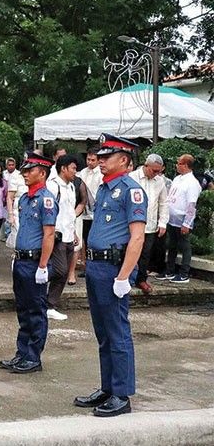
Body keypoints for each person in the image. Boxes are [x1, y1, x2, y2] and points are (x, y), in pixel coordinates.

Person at [74, 133, 146, 417]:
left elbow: (137, 238)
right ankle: (108, 386)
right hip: (96, 267)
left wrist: (124, 277)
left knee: (118, 332)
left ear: (124, 160)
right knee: (103, 332)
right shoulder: (104, 188)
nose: (101, 161)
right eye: (100, 156)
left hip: (115, 268)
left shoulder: (131, 190)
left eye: (107, 157)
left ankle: (121, 393)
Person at [0, 151, 56, 375]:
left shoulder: (46, 199)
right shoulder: (24, 198)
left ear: (41, 173)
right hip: (22, 259)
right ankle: (22, 353)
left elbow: (49, 235)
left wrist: (43, 266)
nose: (25, 173)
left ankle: (33, 356)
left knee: (35, 310)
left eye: (29, 170)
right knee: (23, 310)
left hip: (35, 262)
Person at [46, 154, 80, 320]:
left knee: (64, 273)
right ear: (63, 168)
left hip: (68, 234)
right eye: (73, 168)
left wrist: (73, 232)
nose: (75, 171)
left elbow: (70, 213)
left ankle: (50, 304)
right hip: (56, 235)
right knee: (60, 270)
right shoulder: (53, 186)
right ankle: (34, 283)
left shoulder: (71, 187)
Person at [159, 154, 202, 284]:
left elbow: (191, 205)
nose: (176, 165)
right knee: (171, 245)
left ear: (185, 165)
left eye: (179, 163)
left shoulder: (192, 183)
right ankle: (170, 270)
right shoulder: (177, 179)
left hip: (182, 219)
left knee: (184, 246)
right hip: (171, 219)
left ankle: (184, 273)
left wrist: (187, 223)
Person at [128, 154, 168, 293]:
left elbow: (163, 203)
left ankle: (141, 279)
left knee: (145, 254)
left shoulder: (160, 181)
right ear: (146, 166)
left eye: (159, 171)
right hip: (131, 224)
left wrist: (162, 222)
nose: (157, 173)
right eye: (154, 170)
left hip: (149, 224)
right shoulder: (131, 178)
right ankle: (125, 278)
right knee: (128, 251)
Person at [77, 146, 103, 278]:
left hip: (97, 212)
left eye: (93, 160)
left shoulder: (101, 174)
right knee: (85, 239)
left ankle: (94, 265)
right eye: (88, 159)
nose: (90, 162)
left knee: (95, 239)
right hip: (85, 212)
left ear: (98, 160)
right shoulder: (83, 173)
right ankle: (86, 265)